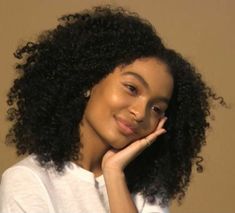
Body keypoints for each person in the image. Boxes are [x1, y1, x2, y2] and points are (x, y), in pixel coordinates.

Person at [0, 5, 225, 213]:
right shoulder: (29, 180)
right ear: (90, 79)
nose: (140, 113)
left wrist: (114, 174)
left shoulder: (149, 192)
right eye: (131, 88)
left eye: (156, 108)